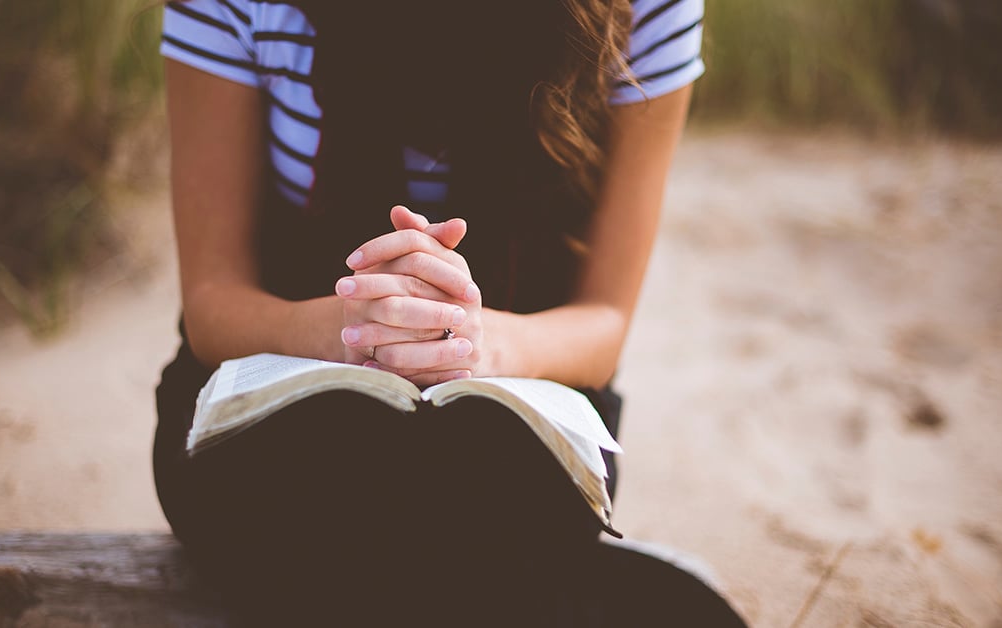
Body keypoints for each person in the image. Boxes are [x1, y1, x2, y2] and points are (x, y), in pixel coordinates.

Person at [152, 0, 747, 625]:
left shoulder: (647, 8)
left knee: (475, 503)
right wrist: (353, 330)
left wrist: (470, 342)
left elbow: (604, 323)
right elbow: (212, 303)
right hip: (280, 395)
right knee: (345, 504)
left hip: (521, 404)